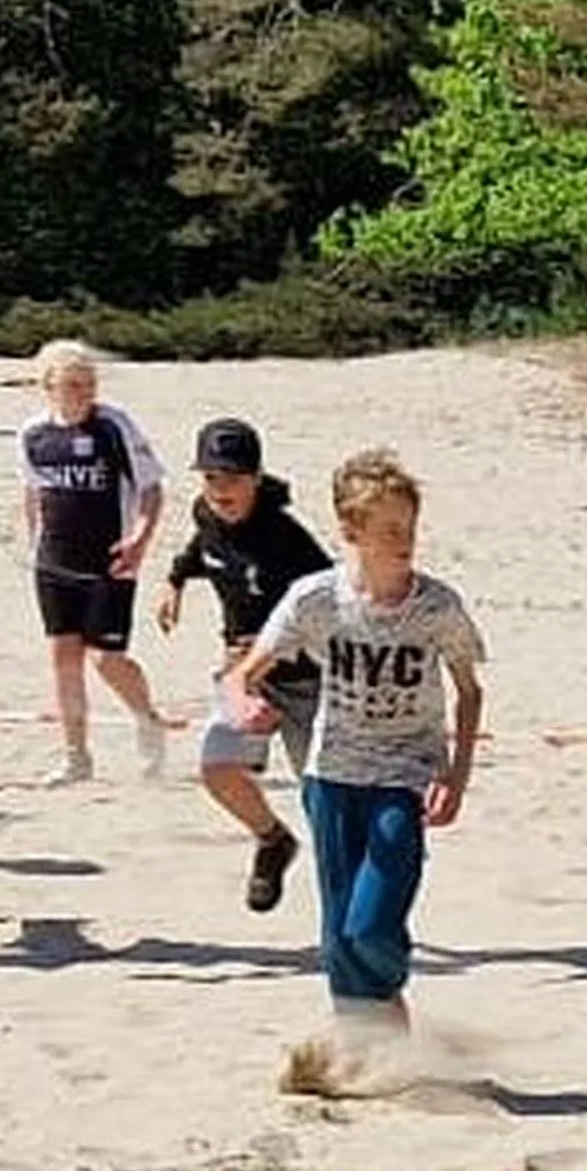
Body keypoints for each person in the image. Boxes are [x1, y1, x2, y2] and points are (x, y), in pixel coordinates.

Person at [223, 452, 484, 1087]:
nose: (404, 541)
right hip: (331, 777)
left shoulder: (437, 606)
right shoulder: (316, 599)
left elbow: (470, 690)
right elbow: (243, 672)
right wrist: (241, 702)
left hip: (403, 777)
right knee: (338, 937)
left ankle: (386, 1009)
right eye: (389, 529)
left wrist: (455, 775)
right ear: (351, 531)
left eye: (409, 527)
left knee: (371, 926)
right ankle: (370, 1055)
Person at [158, 415, 334, 913]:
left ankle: (348, 910)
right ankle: (273, 840)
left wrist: (279, 644)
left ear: (256, 478)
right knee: (218, 768)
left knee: (323, 800)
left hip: (306, 682)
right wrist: (174, 582)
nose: (221, 489)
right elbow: (203, 549)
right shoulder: (207, 513)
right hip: (245, 678)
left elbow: (333, 605)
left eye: (233, 478)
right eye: (211, 477)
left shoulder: (287, 541)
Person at [17, 340, 176, 784]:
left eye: (88, 383)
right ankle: (76, 756)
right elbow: (33, 493)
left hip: (110, 558)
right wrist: (34, 548)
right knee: (64, 657)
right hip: (54, 560)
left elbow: (152, 487)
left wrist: (139, 539)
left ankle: (147, 718)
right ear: (48, 386)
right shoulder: (33, 434)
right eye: (72, 384)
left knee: (107, 657)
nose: (83, 392)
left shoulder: (112, 426)